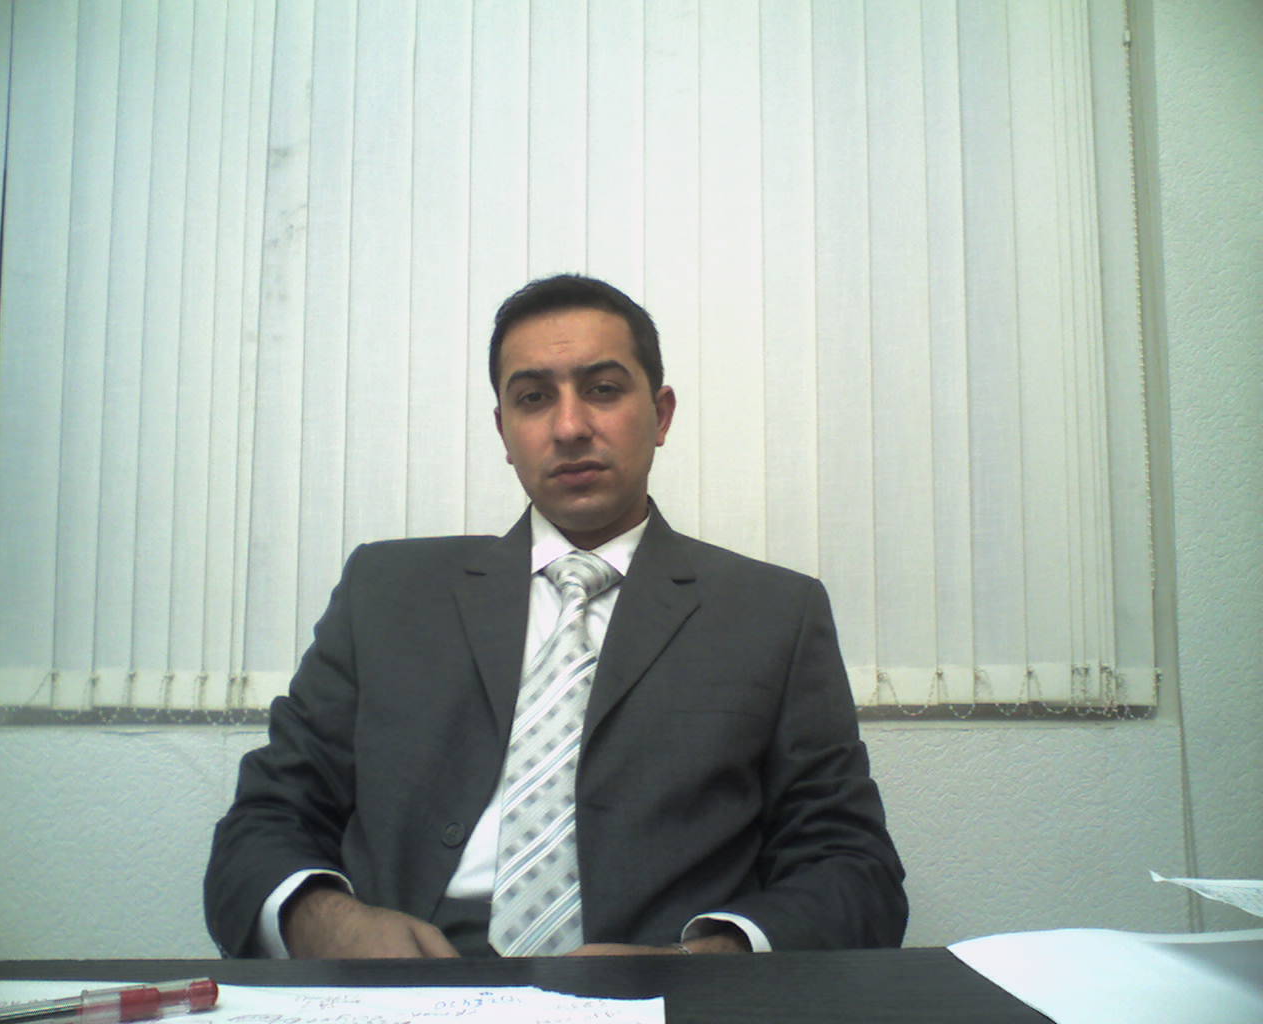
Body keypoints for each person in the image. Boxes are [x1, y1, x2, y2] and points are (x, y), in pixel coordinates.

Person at [204, 273, 907, 958]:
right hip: (402, 986)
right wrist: (325, 922)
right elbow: (267, 818)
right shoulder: (386, 593)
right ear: (504, 431)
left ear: (661, 414)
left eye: (603, 390)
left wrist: (705, 961)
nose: (569, 427)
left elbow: (853, 869)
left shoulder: (771, 614)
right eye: (534, 398)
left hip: (657, 989)